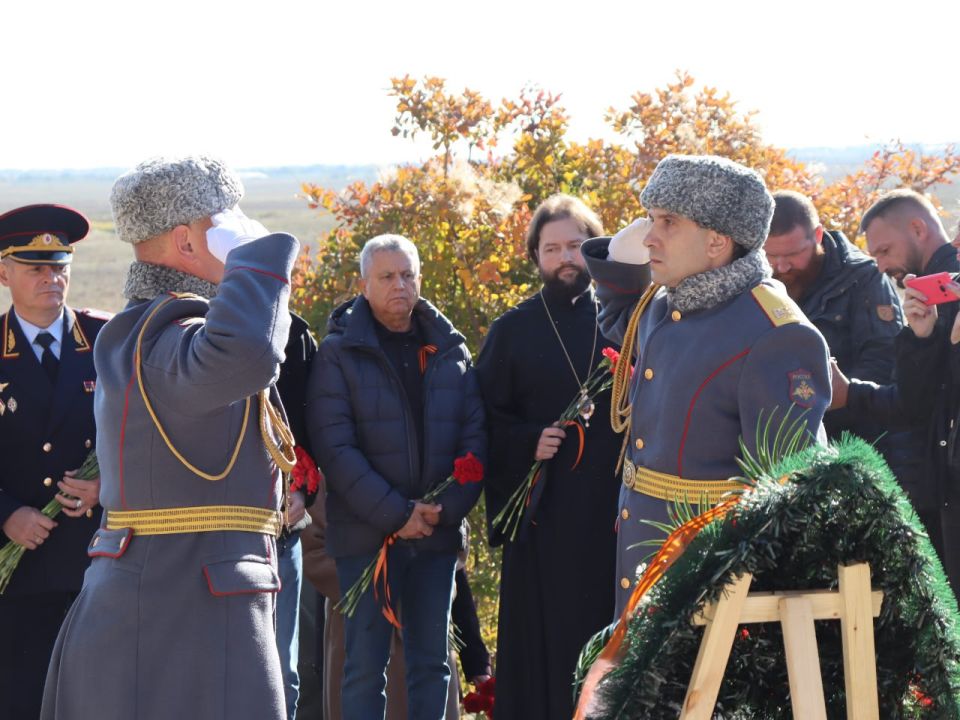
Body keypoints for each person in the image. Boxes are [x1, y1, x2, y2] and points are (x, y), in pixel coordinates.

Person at [41, 156, 299, 720]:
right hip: (172, 622)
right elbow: (249, 352)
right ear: (186, 242)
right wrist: (255, 260)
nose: (242, 229)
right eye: (226, 220)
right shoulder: (161, 335)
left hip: (185, 612)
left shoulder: (170, 329)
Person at [581, 154, 831, 614]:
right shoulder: (665, 303)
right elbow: (626, 326)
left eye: (668, 222)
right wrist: (614, 262)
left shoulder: (776, 333)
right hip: (647, 575)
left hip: (710, 597)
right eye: (651, 218)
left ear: (717, 242)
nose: (649, 237)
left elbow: (789, 500)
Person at [306, 234, 485, 719]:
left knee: (432, 665)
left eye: (407, 275)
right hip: (367, 539)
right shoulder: (338, 354)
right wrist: (397, 514)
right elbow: (335, 450)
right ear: (364, 285)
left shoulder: (450, 349)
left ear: (419, 279)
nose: (399, 285)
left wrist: (440, 512)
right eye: (387, 277)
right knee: (364, 667)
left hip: (436, 537)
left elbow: (474, 441)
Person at [476, 194, 622, 720]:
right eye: (551, 247)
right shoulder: (512, 331)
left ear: (595, 249)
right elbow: (481, 421)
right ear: (535, 256)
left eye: (576, 246)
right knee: (548, 647)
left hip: (612, 514)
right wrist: (525, 441)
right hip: (546, 519)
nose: (565, 258)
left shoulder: (624, 320)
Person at [0, 204, 108, 719]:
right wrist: (6, 513)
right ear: (4, 273)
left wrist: (108, 482)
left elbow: (140, 435)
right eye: (34, 267)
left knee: (93, 697)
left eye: (59, 265)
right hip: (18, 564)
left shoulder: (107, 341)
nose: (51, 277)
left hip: (97, 556)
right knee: (22, 697)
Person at [831, 189, 960, 592]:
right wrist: (920, 339)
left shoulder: (952, 282)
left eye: (885, 250)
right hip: (943, 487)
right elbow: (917, 404)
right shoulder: (925, 298)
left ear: (918, 229)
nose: (882, 266)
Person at [764, 190, 902, 442]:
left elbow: (883, 362)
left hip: (851, 440)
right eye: (771, 255)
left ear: (818, 235)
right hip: (774, 435)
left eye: (793, 254)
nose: (781, 266)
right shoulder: (757, 276)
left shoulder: (864, 279)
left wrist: (833, 398)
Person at [274, 311, 319, 720]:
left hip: (284, 532)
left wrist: (303, 490)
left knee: (283, 672)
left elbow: (312, 428)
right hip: (221, 537)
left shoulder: (297, 337)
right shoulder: (202, 326)